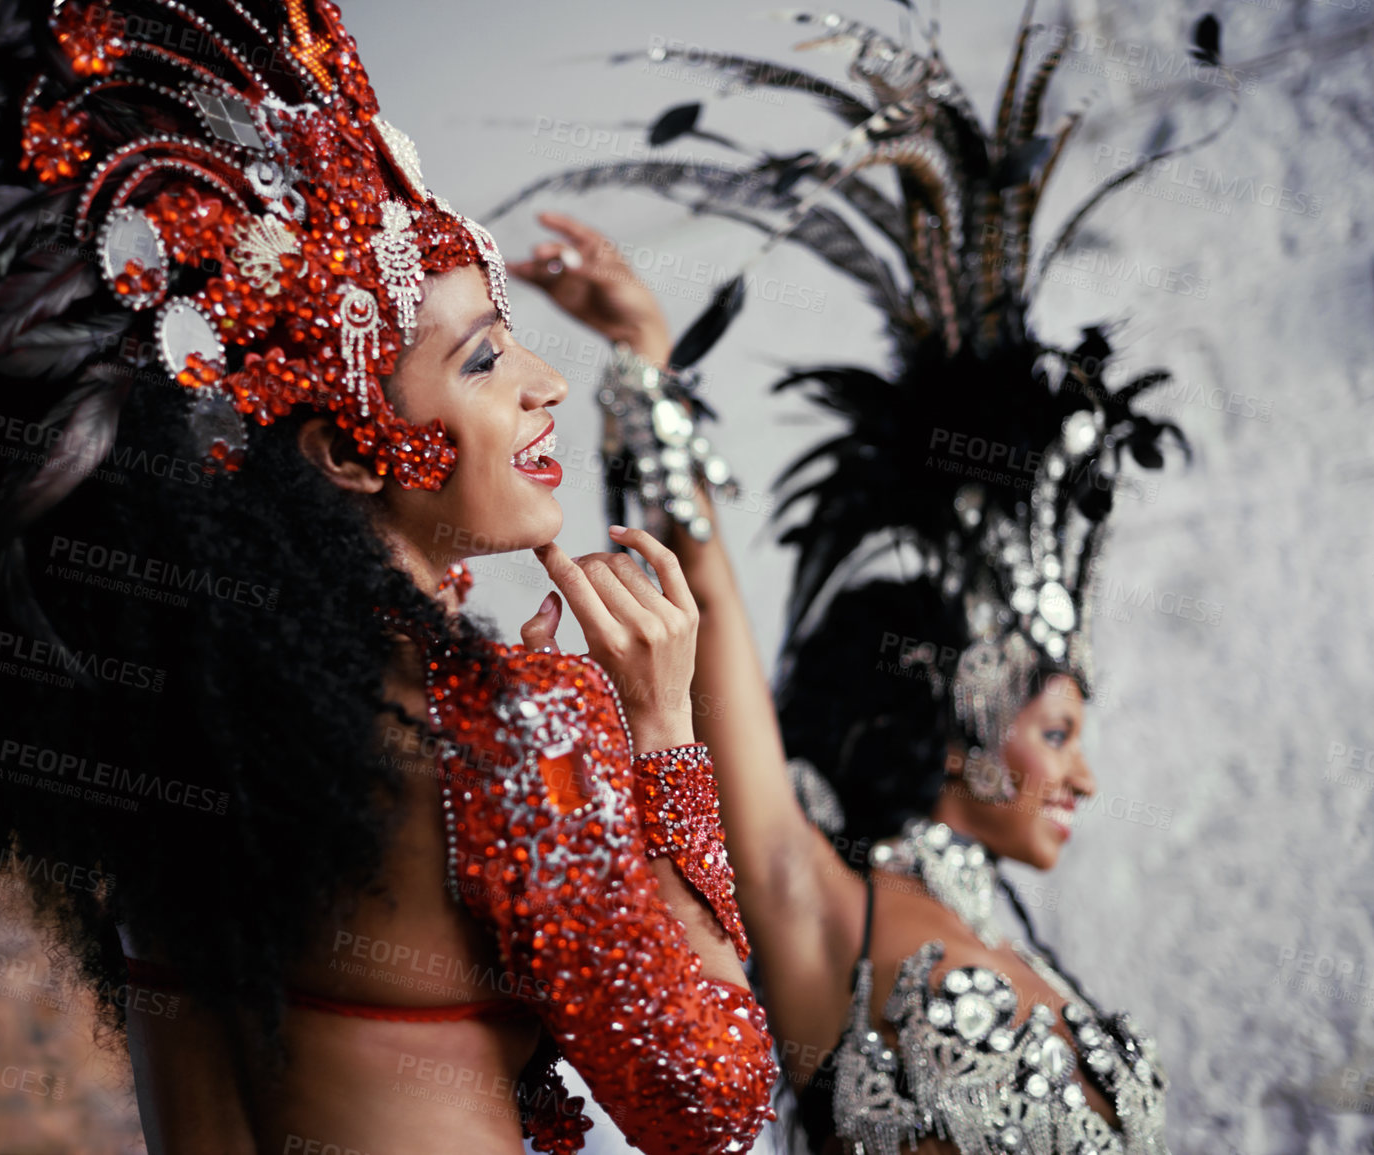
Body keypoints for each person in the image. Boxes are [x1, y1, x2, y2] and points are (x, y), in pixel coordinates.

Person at [0, 2, 779, 1153]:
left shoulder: (164, 724)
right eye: (484, 357)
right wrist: (661, 740)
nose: (546, 382)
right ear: (351, 451)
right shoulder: (508, 731)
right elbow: (712, 1099)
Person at [503, 7, 1225, 1153]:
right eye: (1062, 728)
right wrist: (645, 362)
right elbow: (720, 623)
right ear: (964, 718)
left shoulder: (1018, 949)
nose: (1083, 773)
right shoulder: (824, 906)